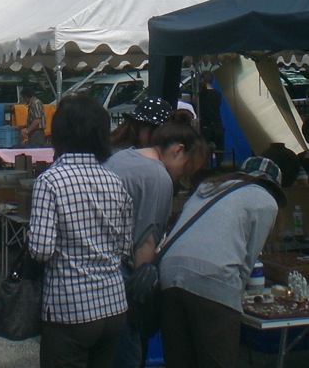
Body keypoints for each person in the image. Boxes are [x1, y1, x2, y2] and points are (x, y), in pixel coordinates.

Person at [28, 94, 133, 368]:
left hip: (69, 307)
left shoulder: (50, 181)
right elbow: (125, 248)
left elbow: (40, 250)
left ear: (60, 133)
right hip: (113, 305)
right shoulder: (114, 181)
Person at [158, 155, 287, 368]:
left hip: (169, 274)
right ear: (273, 187)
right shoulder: (265, 201)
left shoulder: (208, 188)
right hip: (214, 279)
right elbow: (248, 260)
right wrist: (237, 295)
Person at [105, 117, 208, 368]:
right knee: (127, 357)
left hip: (95, 274)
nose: (183, 175)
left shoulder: (121, 157)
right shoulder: (158, 176)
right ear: (177, 150)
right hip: (120, 277)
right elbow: (145, 245)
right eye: (186, 166)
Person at [198, 70, 225, 165]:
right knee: (220, 150)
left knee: (203, 151)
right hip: (217, 124)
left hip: (205, 125)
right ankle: (219, 167)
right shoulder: (218, 94)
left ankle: (205, 168)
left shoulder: (200, 95)